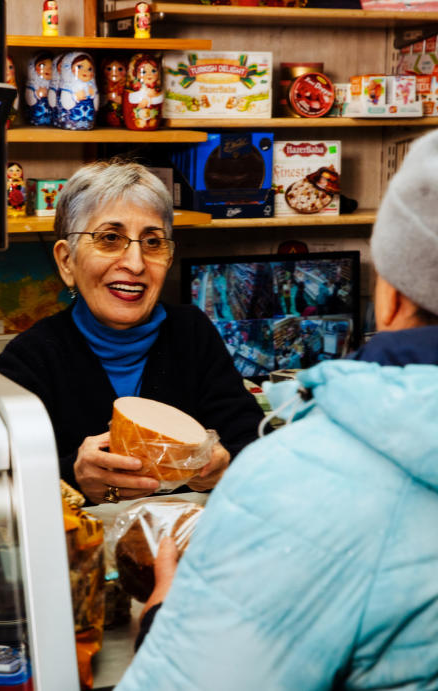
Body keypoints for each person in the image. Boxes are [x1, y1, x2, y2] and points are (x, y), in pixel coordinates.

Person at [118, 129, 438, 690]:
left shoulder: (298, 480)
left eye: (153, 241)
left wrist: (166, 615)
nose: (134, 263)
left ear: (389, 294)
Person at [0, 161, 264, 504]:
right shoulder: (29, 359)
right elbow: (4, 483)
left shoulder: (191, 332)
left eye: (153, 242)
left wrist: (226, 465)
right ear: (66, 261)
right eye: (110, 238)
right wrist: (74, 480)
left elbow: (253, 442)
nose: (135, 264)